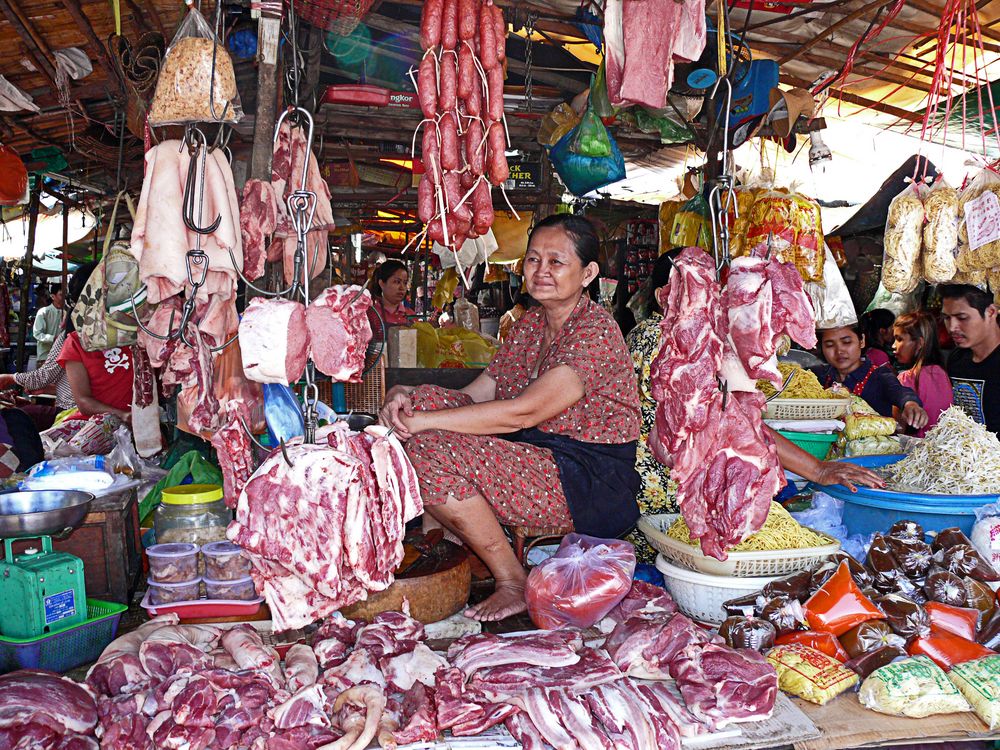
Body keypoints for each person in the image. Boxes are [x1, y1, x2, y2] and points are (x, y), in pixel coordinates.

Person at [379, 215, 641, 621]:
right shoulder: (531, 323)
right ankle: (457, 545)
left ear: (587, 273)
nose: (541, 272)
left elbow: (524, 411)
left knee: (430, 450)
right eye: (534, 260)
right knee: (428, 404)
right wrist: (411, 400)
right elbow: (482, 390)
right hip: (537, 454)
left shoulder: (596, 332)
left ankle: (512, 579)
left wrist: (425, 425)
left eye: (557, 262)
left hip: (587, 480)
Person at [625, 255, 886, 564]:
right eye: (700, 286)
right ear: (661, 295)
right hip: (671, 498)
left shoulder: (651, 333)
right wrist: (816, 469)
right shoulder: (670, 339)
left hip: (653, 491)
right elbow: (728, 420)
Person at [56, 263, 134, 424]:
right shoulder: (75, 343)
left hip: (144, 426)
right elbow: (83, 402)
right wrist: (123, 415)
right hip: (96, 426)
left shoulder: (140, 333)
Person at [813, 324, 928, 430]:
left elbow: (899, 391)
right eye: (829, 345)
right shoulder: (819, 376)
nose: (839, 351)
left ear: (862, 341)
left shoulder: (879, 376)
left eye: (847, 342)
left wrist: (910, 404)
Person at [941, 284, 1000, 434]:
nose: (952, 327)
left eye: (962, 318)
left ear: (991, 312)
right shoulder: (957, 359)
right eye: (947, 318)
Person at [892, 311, 952, 437]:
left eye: (899, 339)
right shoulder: (942, 373)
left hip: (916, 452)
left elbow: (897, 429)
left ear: (919, 343)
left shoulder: (905, 379)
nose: (894, 346)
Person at [366, 259, 414, 340]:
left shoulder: (411, 315)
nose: (402, 288)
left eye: (405, 283)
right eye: (397, 282)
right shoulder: (371, 315)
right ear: (382, 283)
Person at [33, 283, 66, 364]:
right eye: (61, 295)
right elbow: (37, 334)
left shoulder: (67, 312)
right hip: (45, 357)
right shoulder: (43, 312)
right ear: (52, 296)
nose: (64, 297)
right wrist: (54, 338)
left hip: (61, 357)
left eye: (65, 294)